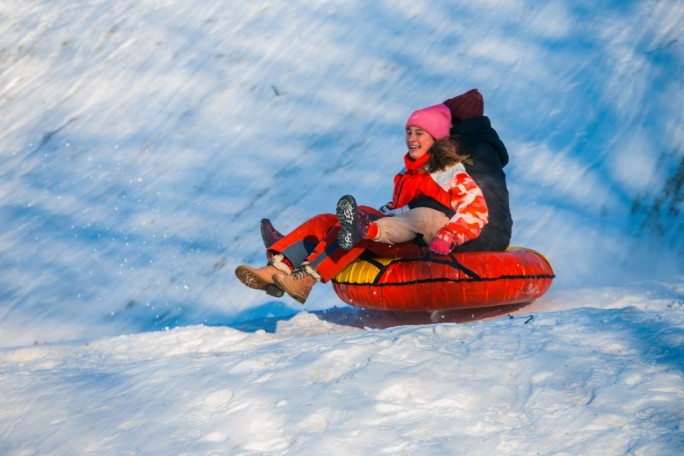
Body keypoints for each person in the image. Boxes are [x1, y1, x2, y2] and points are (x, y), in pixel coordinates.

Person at [235, 103, 489, 304]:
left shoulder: (450, 173)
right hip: (394, 233)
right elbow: (398, 208)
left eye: (419, 133)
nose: (411, 138)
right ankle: (278, 266)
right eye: (408, 132)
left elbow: (475, 210)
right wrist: (385, 212)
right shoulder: (407, 173)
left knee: (375, 218)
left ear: (436, 138)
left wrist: (449, 236)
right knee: (328, 221)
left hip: (420, 244)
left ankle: (309, 275)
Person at [441, 89, 512, 251]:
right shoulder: (482, 145)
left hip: (479, 232)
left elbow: (463, 194)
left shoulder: (471, 149)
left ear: (454, 121)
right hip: (497, 231)